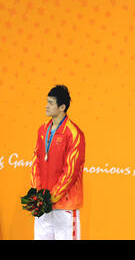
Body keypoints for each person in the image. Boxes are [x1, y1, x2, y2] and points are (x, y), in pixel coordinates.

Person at [30, 85, 86, 240]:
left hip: (65, 206)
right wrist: (39, 195)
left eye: (51, 103)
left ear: (62, 107)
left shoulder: (74, 134)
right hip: (43, 205)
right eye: (47, 102)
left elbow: (71, 171)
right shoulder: (42, 130)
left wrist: (51, 197)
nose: (46, 106)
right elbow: (36, 162)